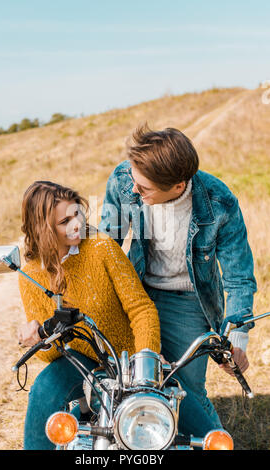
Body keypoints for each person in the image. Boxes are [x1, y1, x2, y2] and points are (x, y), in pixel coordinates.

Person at [17, 180, 217, 450]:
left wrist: (146, 357)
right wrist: (38, 337)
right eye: (64, 221)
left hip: (131, 359)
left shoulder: (101, 247)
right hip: (81, 363)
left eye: (77, 213)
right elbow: (51, 354)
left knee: (206, 435)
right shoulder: (31, 273)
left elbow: (141, 308)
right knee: (43, 390)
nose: (77, 224)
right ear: (43, 230)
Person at [98, 124, 257, 429]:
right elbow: (107, 242)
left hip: (187, 300)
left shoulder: (219, 202)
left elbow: (238, 275)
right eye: (134, 181)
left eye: (143, 189)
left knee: (187, 396)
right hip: (137, 291)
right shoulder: (124, 178)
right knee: (122, 381)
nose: (134, 190)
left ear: (178, 185)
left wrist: (236, 338)